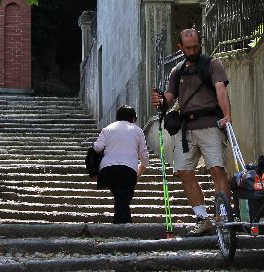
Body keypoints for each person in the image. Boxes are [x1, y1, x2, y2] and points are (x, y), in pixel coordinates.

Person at [151, 28, 232, 237]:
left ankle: (224, 219)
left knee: (217, 170)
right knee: (184, 172)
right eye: (188, 48)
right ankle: (203, 219)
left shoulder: (212, 64)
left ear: (200, 43)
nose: (193, 51)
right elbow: (170, 97)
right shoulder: (177, 71)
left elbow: (220, 89)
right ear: (180, 47)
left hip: (210, 125)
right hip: (186, 129)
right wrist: (161, 101)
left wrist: (227, 115)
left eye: (196, 46)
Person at [93, 105, 149, 224]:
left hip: (107, 170)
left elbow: (97, 147)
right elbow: (144, 156)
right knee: (123, 198)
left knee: (121, 198)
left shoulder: (107, 129)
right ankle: (118, 227)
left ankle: (127, 225)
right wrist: (138, 174)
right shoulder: (138, 131)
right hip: (128, 170)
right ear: (133, 118)